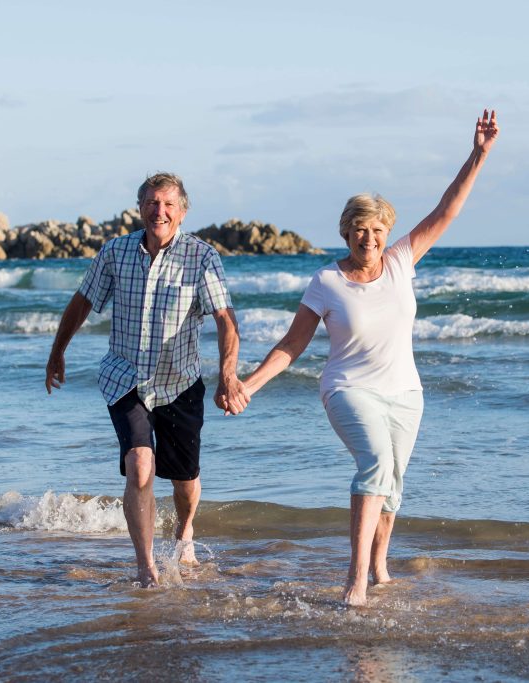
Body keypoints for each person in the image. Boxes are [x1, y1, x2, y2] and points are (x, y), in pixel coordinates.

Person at [242, 109, 499, 606]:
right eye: (361, 229)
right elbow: (293, 344)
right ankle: (355, 580)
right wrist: (249, 386)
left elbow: (446, 211)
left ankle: (380, 566)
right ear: (346, 231)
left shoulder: (402, 261)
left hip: (405, 393)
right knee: (376, 464)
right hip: (348, 389)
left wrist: (478, 154)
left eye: (378, 230)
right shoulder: (327, 282)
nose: (371, 239)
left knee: (393, 484)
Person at [45, 172, 249, 588]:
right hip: (127, 378)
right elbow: (83, 301)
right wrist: (57, 350)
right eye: (153, 203)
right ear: (140, 208)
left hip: (180, 382)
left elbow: (226, 320)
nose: (160, 211)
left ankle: (185, 531)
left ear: (182, 211)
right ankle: (146, 567)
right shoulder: (115, 252)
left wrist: (228, 373)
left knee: (185, 481)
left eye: (169, 204)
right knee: (139, 465)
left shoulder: (202, 257)